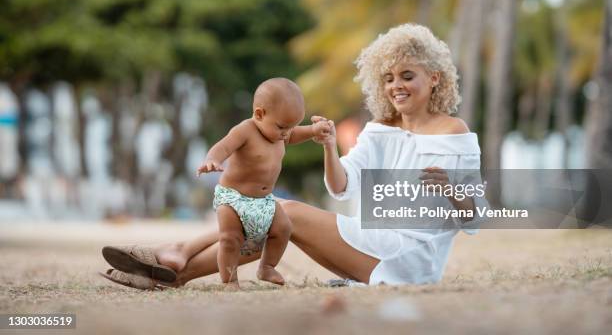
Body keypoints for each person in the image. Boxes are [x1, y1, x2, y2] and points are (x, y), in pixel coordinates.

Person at [100, 23, 484, 289]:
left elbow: (474, 219)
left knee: (283, 212)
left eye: (407, 76)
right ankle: (172, 272)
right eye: (388, 78)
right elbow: (341, 187)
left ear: (434, 77)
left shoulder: (455, 133)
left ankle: (179, 256)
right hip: (371, 240)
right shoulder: (379, 130)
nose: (396, 86)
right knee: (273, 216)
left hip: (410, 259)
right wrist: (330, 147)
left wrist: (451, 190)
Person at [101, 78, 331, 289]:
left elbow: (294, 135)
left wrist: (312, 131)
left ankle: (267, 267)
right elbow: (222, 147)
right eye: (282, 127)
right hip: (233, 198)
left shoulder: (281, 133)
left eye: (291, 126)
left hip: (264, 201)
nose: (286, 133)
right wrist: (212, 160)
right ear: (259, 114)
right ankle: (229, 280)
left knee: (283, 228)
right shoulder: (246, 130)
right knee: (230, 239)